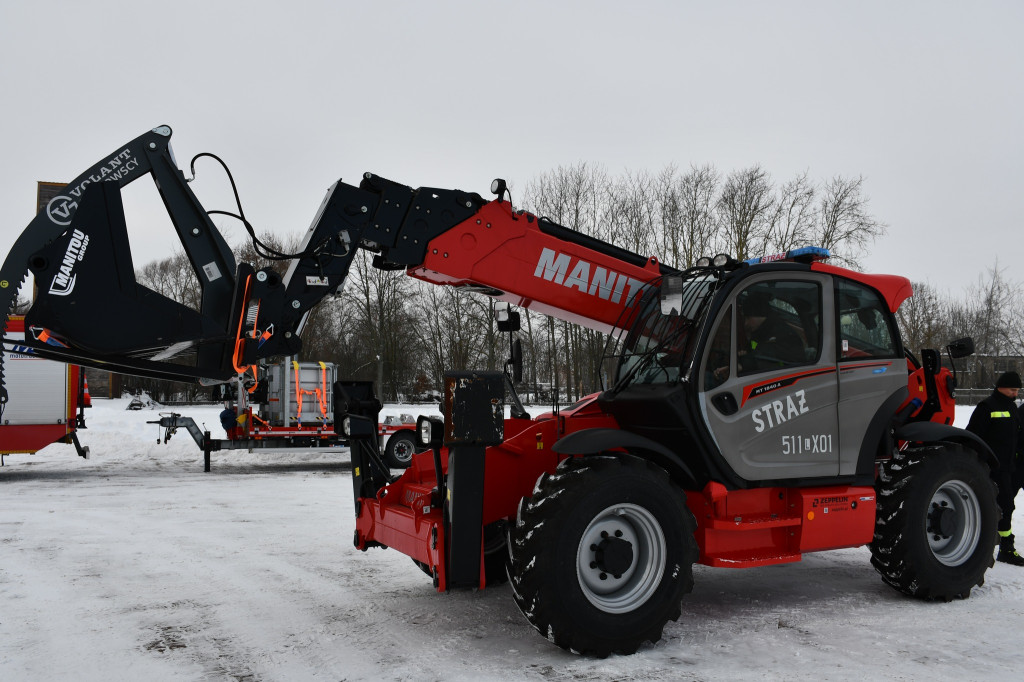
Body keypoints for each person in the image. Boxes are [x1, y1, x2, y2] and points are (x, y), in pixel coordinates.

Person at [966, 371, 1024, 565]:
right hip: (989, 468)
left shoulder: (1013, 407)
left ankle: (1005, 547)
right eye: (1012, 390)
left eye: (1017, 390)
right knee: (989, 506)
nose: (1015, 394)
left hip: (1008, 468)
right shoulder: (986, 407)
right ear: (1001, 387)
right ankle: (981, 544)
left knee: (1006, 505)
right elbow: (972, 437)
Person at [737, 293, 805, 373]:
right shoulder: (758, 333)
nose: (746, 323)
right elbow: (754, 350)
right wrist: (745, 355)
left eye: (748, 318)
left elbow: (769, 358)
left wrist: (744, 365)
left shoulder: (782, 334)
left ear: (759, 314)